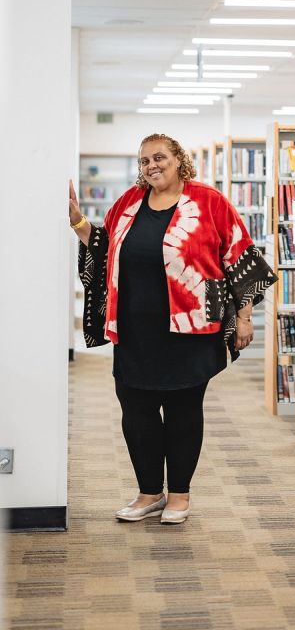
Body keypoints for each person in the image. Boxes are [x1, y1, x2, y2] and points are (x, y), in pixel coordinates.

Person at [69, 133, 275, 525]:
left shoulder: (209, 202)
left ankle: (179, 495)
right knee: (137, 411)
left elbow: (240, 255)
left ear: (178, 159)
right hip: (133, 330)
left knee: (183, 411)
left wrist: (244, 317)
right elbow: (103, 247)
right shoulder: (128, 204)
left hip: (192, 330)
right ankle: (149, 492)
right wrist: (78, 220)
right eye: (144, 160)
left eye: (159, 157)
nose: (152, 166)